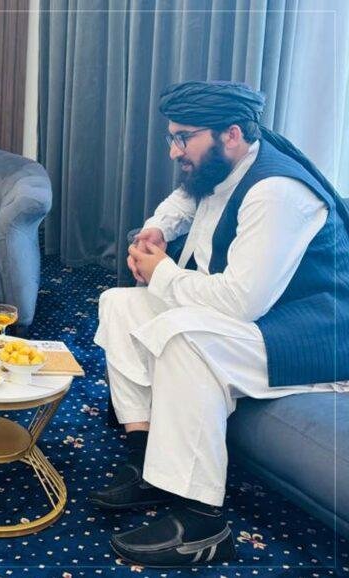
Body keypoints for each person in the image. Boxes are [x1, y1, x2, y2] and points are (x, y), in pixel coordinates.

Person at [91, 80, 349, 567]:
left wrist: (162, 273)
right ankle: (147, 459)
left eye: (183, 138)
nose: (174, 151)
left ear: (230, 134)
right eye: (171, 137)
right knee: (120, 304)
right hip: (262, 321)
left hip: (310, 338)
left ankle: (201, 522)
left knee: (184, 338)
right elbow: (182, 201)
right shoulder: (227, 163)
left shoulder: (276, 192)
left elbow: (238, 302)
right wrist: (158, 228)